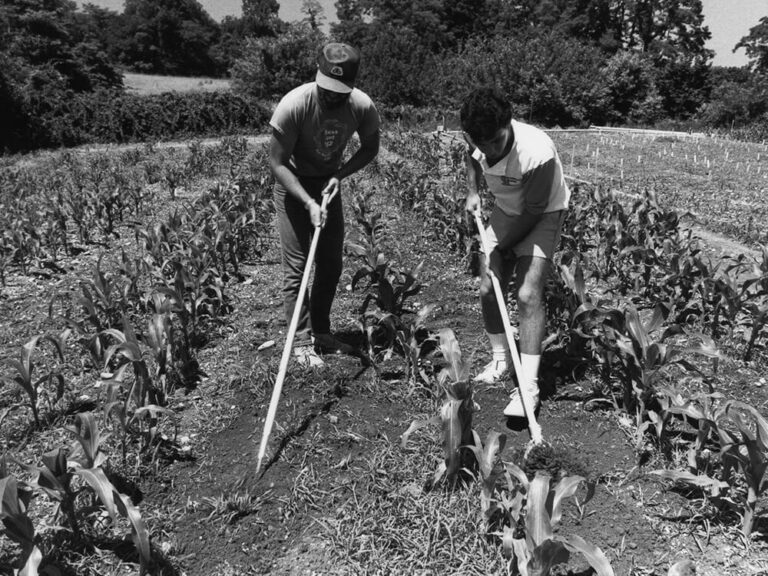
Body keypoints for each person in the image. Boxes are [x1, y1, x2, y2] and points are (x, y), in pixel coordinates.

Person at [269, 42, 380, 368]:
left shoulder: (361, 106)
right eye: (327, 89)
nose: (332, 96)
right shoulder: (294, 105)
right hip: (293, 188)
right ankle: (301, 342)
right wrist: (306, 201)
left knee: (331, 263)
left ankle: (321, 332)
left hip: (328, 185)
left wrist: (339, 176)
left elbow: (370, 148)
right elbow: (277, 163)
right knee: (298, 268)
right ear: (317, 76)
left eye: (340, 91)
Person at [460, 87, 570, 418]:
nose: (490, 149)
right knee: (488, 286)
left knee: (527, 294)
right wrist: (472, 192)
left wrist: (503, 248)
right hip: (507, 212)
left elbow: (535, 211)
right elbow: (471, 159)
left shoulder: (536, 151)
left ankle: (529, 386)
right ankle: (501, 359)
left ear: (509, 123)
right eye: (483, 143)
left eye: (496, 140)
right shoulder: (476, 139)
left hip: (543, 213)